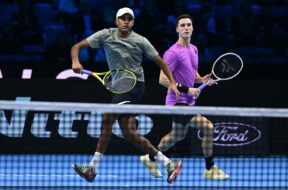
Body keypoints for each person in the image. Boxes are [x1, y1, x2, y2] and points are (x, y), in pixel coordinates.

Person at [70, 7, 182, 184]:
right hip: (118, 87)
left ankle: (92, 168)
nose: (126, 21)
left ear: (133, 22)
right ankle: (168, 163)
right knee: (129, 133)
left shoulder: (141, 41)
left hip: (135, 85)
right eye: (123, 18)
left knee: (107, 117)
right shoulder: (105, 35)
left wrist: (173, 83)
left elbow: (161, 62)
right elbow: (77, 46)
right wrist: (75, 60)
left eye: (129, 19)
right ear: (116, 21)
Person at [140, 14, 229, 180]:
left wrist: (202, 79)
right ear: (177, 29)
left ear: (193, 28)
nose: (186, 28)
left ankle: (150, 157)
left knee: (177, 135)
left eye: (189, 24)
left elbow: (191, 72)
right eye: (182, 25)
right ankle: (210, 168)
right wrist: (188, 90)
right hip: (176, 102)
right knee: (208, 127)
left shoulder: (194, 49)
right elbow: (163, 79)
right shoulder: (172, 53)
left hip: (188, 102)